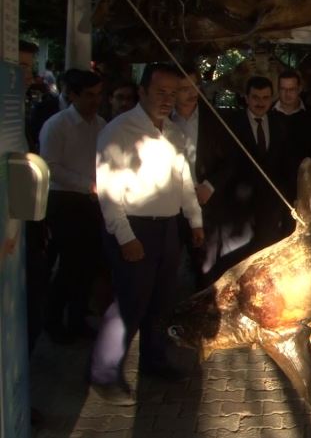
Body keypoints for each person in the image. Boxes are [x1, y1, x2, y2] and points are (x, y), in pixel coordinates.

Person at [90, 63, 204, 405]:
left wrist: (195, 222)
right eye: (161, 92)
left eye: (174, 92)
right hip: (133, 228)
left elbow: (185, 183)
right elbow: (109, 193)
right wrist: (126, 238)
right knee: (129, 302)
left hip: (168, 228)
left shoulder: (174, 133)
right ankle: (105, 374)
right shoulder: (118, 131)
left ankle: (154, 361)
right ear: (142, 92)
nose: (168, 99)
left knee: (161, 302)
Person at [39, 70, 106, 343]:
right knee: (69, 266)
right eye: (89, 95)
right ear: (73, 94)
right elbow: (50, 167)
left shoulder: (100, 124)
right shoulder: (57, 125)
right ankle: (53, 323)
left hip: (93, 201)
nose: (95, 101)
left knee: (88, 265)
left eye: (99, 95)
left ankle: (78, 321)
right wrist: (87, 184)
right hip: (65, 202)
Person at [171, 67, 236, 287]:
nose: (192, 93)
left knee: (206, 269)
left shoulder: (216, 118)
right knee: (169, 268)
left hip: (205, 203)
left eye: (195, 86)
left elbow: (232, 159)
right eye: (184, 89)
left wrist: (210, 185)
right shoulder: (162, 120)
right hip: (170, 206)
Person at [227, 76, 291, 253]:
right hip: (239, 206)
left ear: (272, 99)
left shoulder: (280, 123)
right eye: (255, 97)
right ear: (246, 98)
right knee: (239, 255)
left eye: (265, 98)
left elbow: (285, 163)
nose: (260, 103)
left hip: (271, 208)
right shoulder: (231, 123)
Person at [271, 69, 311, 201]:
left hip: (304, 184)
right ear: (278, 89)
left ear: (299, 89)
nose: (287, 94)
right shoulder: (268, 115)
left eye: (291, 89)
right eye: (283, 89)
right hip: (273, 184)